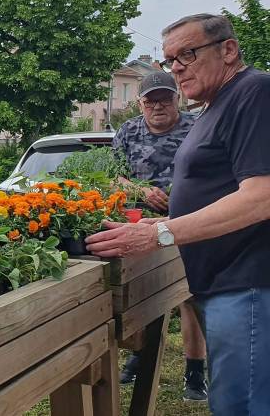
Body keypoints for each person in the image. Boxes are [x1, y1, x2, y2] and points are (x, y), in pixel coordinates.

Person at [86, 13, 270, 415]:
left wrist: (161, 234)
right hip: (226, 285)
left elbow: (261, 197)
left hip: (250, 286)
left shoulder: (253, 92)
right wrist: (158, 222)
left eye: (187, 54)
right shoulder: (216, 105)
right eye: (170, 59)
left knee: (245, 405)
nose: (176, 68)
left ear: (229, 50)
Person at [111, 71, 207, 401]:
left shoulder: (197, 127)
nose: (158, 106)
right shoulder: (128, 130)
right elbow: (114, 177)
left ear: (176, 97)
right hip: (138, 224)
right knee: (141, 292)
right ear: (140, 103)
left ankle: (195, 372)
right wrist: (140, 189)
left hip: (188, 222)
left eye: (164, 98)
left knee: (189, 296)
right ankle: (142, 355)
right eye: (151, 100)